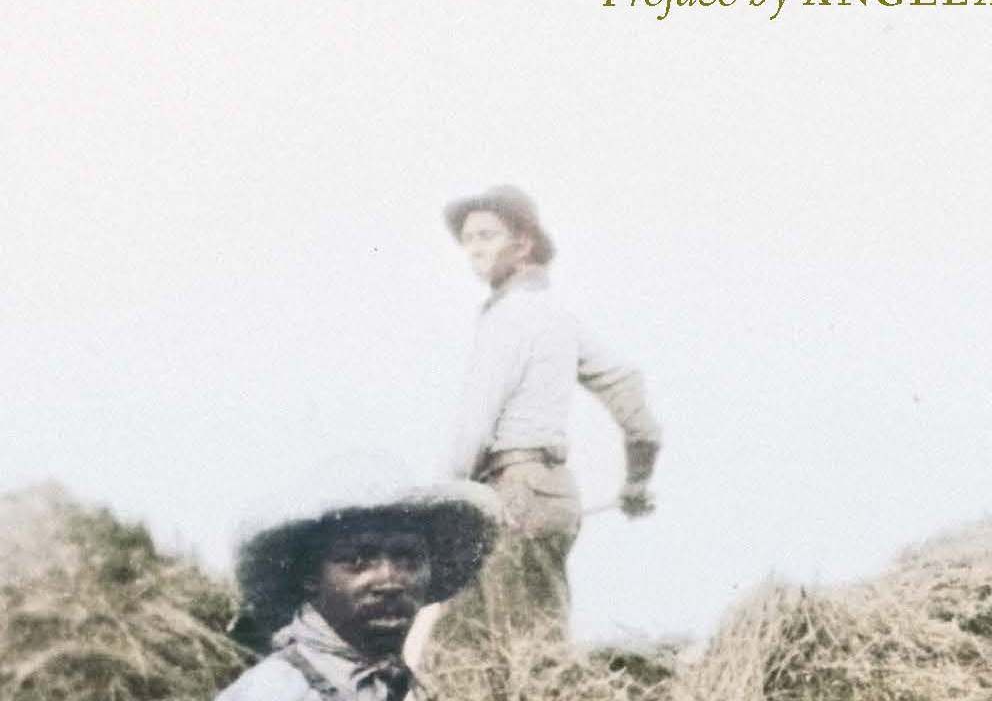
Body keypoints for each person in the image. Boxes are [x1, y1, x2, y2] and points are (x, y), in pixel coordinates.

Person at [434, 185, 664, 642]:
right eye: (468, 239)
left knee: (508, 649)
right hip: (553, 496)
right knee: (520, 642)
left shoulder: (507, 317)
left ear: (523, 244)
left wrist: (442, 502)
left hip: (513, 494)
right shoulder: (558, 317)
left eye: (486, 236)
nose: (473, 249)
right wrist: (637, 480)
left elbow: (474, 427)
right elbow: (628, 386)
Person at [216, 480, 500, 700]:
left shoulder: (397, 684)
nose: (389, 581)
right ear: (310, 577)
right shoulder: (275, 691)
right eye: (357, 561)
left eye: (408, 559)